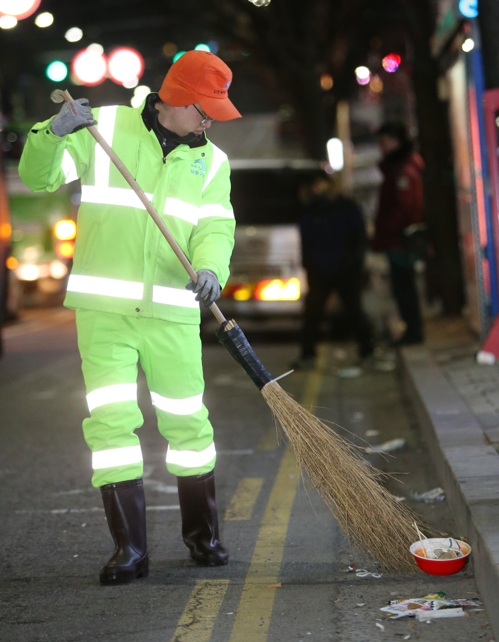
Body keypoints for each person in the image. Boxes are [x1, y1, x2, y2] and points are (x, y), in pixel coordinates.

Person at [19, 50, 240, 584]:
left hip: (172, 311)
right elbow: (38, 179)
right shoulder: (105, 129)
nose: (211, 121)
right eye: (205, 109)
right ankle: (130, 550)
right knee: (112, 425)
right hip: (105, 311)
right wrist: (52, 131)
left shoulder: (211, 162)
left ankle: (202, 536)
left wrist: (211, 268)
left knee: (188, 422)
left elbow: (217, 228)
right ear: (178, 99)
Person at [294, 173, 374, 369]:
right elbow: (307, 240)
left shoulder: (344, 207)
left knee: (354, 310)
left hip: (344, 268)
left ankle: (368, 351)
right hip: (320, 270)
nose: (317, 188)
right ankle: (307, 354)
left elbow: (358, 237)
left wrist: (355, 263)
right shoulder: (311, 209)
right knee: (312, 314)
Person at [372, 122, 425, 346]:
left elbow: (404, 208)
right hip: (396, 239)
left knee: (404, 286)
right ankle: (411, 330)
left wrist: (389, 231)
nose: (382, 147)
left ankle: (413, 331)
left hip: (400, 241)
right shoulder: (398, 168)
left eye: (385, 141)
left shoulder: (402, 171)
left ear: (395, 142)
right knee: (402, 286)